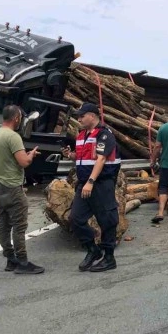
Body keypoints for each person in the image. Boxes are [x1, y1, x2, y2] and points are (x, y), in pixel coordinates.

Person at [62, 103, 121, 272]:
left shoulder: (104, 134)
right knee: (75, 219)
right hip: (84, 183)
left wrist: (91, 181)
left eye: (82, 116)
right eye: (78, 116)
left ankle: (109, 258)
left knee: (107, 221)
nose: (79, 119)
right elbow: (83, 158)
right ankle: (93, 250)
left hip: (100, 183)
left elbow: (101, 159)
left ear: (93, 116)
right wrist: (71, 155)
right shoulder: (81, 135)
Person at [0, 105, 44, 274]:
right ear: (16, 118)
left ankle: (10, 259)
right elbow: (24, 162)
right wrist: (31, 155)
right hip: (12, 187)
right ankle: (22, 262)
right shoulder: (13, 137)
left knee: (3, 223)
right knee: (19, 226)